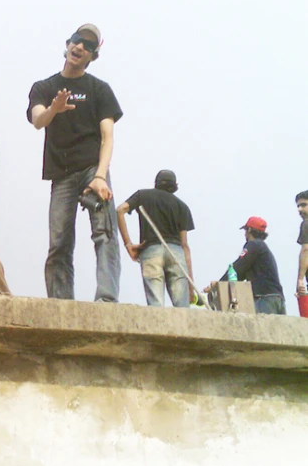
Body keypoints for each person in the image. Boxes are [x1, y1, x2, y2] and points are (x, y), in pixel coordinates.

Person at [26, 23, 123, 302]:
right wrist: (54, 110)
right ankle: (60, 304)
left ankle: (106, 300)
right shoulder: (45, 87)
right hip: (62, 175)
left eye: (89, 46)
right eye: (78, 40)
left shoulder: (99, 89)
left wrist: (101, 176)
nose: (81, 47)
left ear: (93, 56)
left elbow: (107, 136)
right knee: (59, 244)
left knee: (104, 235)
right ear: (68, 43)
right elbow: (37, 120)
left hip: (93, 169)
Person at [116, 170, 195, 307]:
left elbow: (120, 210)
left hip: (151, 251)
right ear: (174, 186)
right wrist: (190, 285)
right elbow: (185, 245)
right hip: (176, 252)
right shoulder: (182, 207)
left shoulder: (143, 195)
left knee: (156, 307)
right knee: (182, 309)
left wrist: (128, 244)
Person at [208, 217, 286, 315]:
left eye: (245, 230)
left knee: (261, 329)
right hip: (277, 298)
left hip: (264, 298)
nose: (245, 234)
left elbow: (238, 268)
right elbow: (242, 274)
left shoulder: (253, 244)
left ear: (249, 230)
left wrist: (219, 285)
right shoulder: (262, 248)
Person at [296, 190, 308, 297]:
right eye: (298, 206)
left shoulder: (306, 224)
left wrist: (300, 280)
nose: (300, 209)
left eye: (304, 205)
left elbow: (306, 250)